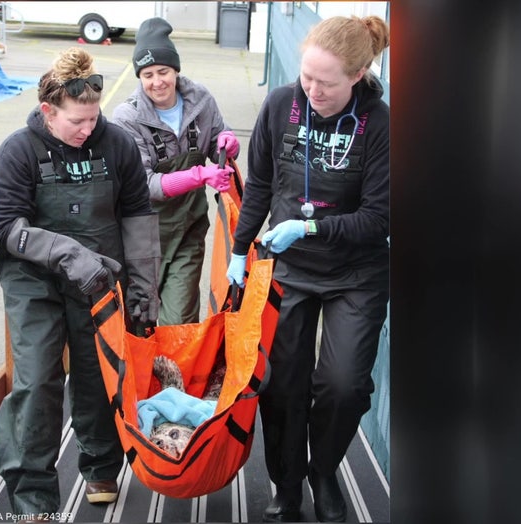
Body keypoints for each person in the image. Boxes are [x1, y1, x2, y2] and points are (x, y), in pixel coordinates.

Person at [226, 15, 390, 522]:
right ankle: (288, 481)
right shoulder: (280, 105)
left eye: (327, 82)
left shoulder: (381, 125)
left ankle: (324, 469)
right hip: (288, 268)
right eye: (306, 77)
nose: (312, 90)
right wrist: (238, 250)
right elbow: (259, 187)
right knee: (281, 383)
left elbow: (379, 216)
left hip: (355, 271)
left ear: (358, 75)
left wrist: (311, 228)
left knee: (342, 385)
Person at [0, 47, 161, 520]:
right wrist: (68, 252)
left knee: (96, 371)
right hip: (34, 279)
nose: (88, 130)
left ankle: (102, 465)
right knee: (38, 377)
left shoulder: (117, 146)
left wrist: (145, 290)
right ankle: (33, 498)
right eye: (76, 122)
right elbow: (7, 227)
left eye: (94, 118)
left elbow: (139, 218)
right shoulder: (18, 153)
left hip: (99, 279)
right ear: (47, 111)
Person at [112, 17, 239, 326]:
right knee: (140, 317)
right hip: (142, 237)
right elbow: (145, 184)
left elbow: (218, 144)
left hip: (187, 229)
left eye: (163, 71)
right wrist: (200, 176)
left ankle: (177, 374)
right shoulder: (126, 118)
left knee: (178, 319)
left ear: (176, 70)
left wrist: (229, 144)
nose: (157, 82)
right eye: (148, 74)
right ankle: (142, 375)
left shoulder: (201, 101)